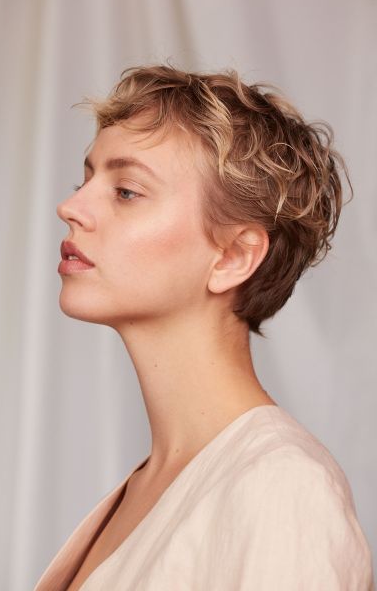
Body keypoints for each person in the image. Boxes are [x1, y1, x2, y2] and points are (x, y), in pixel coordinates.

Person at [35, 64, 374, 590]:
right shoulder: (157, 483)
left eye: (126, 191)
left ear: (234, 257)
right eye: (84, 180)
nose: (70, 207)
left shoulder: (282, 489)